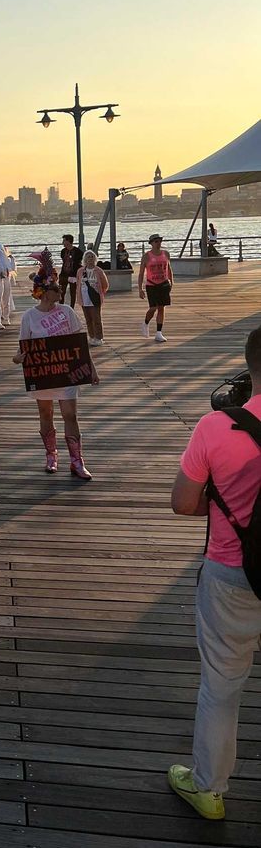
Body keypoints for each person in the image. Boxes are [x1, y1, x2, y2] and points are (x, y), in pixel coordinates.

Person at [166, 325, 261, 821]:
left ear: (250, 368)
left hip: (231, 572)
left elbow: (183, 503)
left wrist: (228, 505)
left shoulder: (216, 427)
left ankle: (209, 788)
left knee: (222, 685)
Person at [15, 250, 99, 479]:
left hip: (67, 372)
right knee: (46, 413)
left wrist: (91, 369)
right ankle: (51, 456)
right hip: (44, 374)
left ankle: (77, 461)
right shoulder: (29, 317)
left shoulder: (67, 312)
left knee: (70, 415)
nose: (61, 290)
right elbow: (21, 349)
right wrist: (18, 358)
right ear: (44, 292)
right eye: (56, 288)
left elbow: (80, 344)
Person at [138, 233, 173, 343]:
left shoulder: (165, 254)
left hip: (164, 283)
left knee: (161, 308)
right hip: (151, 284)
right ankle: (145, 323)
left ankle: (159, 332)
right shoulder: (146, 256)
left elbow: (169, 269)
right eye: (156, 241)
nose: (158, 243)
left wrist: (171, 282)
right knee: (153, 308)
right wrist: (140, 289)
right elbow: (141, 273)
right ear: (151, 243)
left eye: (159, 241)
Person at [75, 249, 110, 346]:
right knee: (88, 319)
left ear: (95, 259)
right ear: (85, 259)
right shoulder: (80, 271)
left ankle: (99, 337)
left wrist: (100, 293)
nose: (90, 259)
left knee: (96, 319)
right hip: (84, 298)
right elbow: (78, 283)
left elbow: (105, 284)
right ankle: (91, 336)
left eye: (92, 257)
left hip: (95, 298)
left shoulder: (98, 270)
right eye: (88, 257)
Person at [58, 234, 84, 307]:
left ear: (68, 241)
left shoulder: (78, 252)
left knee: (73, 292)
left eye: (64, 241)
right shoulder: (63, 251)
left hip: (73, 275)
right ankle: (61, 307)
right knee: (61, 292)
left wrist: (77, 275)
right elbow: (64, 261)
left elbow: (79, 263)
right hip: (63, 274)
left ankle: (72, 307)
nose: (62, 242)